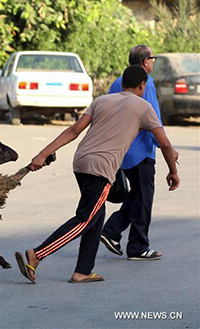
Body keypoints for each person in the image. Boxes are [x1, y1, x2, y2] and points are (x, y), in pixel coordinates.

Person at [15, 65, 180, 284]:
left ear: (122, 84)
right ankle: (37, 254)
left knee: (96, 216)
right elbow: (165, 144)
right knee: (85, 219)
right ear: (142, 85)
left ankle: (82, 271)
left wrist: (43, 154)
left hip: (81, 161)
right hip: (101, 168)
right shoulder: (143, 107)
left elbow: (74, 131)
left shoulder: (101, 100)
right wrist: (173, 171)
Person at [100, 45, 168, 260]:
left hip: (121, 149)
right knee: (144, 198)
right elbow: (152, 119)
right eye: (152, 59)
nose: (153, 63)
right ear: (146, 61)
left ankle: (111, 231)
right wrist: (165, 146)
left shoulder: (116, 83)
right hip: (141, 151)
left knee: (138, 195)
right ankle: (137, 246)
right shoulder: (144, 84)